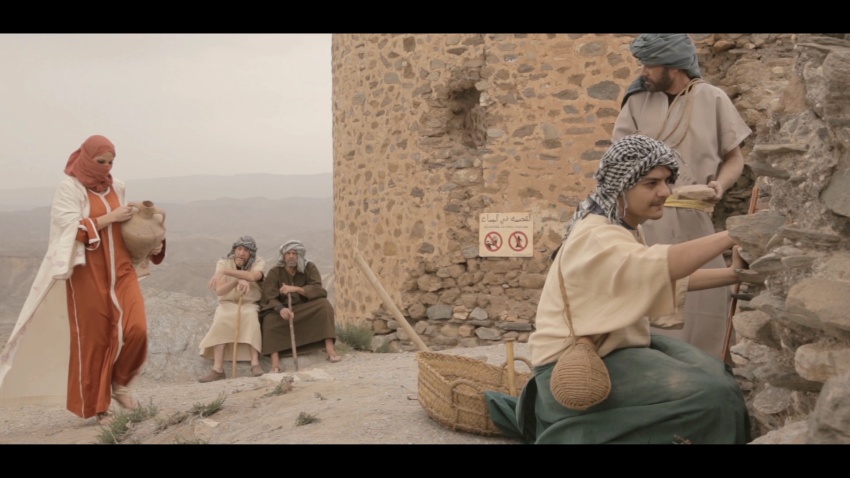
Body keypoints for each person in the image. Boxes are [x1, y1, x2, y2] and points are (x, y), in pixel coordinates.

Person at [485, 134, 750, 444]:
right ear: (621, 187)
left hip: (618, 347)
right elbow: (661, 265)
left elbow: (654, 277)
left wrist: (731, 274)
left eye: (667, 181)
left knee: (718, 374)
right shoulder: (598, 236)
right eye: (651, 183)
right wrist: (733, 234)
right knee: (711, 395)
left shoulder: (619, 228)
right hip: (576, 362)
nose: (665, 192)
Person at [0, 135, 165, 425]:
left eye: (111, 162)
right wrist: (110, 218)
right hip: (87, 273)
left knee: (137, 328)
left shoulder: (118, 186)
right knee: (96, 339)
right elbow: (69, 230)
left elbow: (127, 226)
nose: (106, 167)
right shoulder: (69, 188)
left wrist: (149, 235)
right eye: (101, 162)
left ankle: (120, 383)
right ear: (87, 159)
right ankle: (99, 408)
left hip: (122, 268)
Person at [612, 33, 753, 360]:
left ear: (673, 66)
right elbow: (619, 158)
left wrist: (720, 185)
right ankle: (648, 368)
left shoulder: (713, 98)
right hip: (646, 221)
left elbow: (734, 158)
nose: (643, 72)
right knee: (648, 295)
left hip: (694, 217)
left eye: (649, 65)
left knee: (705, 302)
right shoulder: (637, 101)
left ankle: (706, 372)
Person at [260, 240, 340, 372]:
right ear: (283, 256)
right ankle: (275, 362)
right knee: (269, 320)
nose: (291, 256)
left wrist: (297, 289)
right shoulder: (275, 272)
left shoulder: (309, 268)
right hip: (283, 312)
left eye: (295, 253)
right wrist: (281, 309)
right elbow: (269, 297)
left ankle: (330, 349)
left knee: (324, 305)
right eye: (288, 253)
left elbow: (319, 290)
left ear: (300, 255)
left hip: (304, 309)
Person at [198, 236, 266, 382]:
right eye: (239, 249)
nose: (241, 253)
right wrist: (236, 280)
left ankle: (255, 364)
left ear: (251, 253)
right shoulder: (224, 262)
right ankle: (218, 369)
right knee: (222, 319)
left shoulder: (258, 262)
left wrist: (226, 272)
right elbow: (220, 291)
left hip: (249, 303)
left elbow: (252, 276)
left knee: (251, 317)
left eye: (246, 250)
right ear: (234, 250)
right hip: (227, 303)